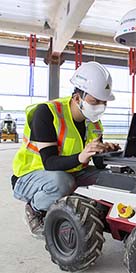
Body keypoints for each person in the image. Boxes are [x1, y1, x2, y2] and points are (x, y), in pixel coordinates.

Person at [11, 62, 120, 238]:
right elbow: (49, 162)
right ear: (77, 98)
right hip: (31, 175)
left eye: (104, 102)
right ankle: (35, 209)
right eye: (95, 101)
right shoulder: (47, 113)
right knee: (63, 182)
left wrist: (105, 151)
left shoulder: (93, 121)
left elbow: (97, 162)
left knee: (110, 179)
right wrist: (81, 156)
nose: (100, 106)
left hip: (71, 171)